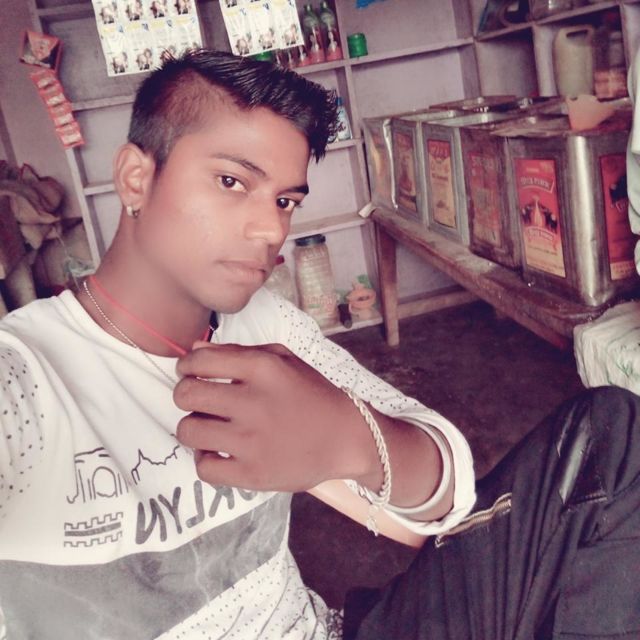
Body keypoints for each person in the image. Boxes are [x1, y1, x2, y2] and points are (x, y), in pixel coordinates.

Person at [0, 49, 638, 640]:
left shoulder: (266, 328)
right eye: (231, 181)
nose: (269, 228)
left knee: (614, 433)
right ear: (136, 178)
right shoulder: (25, 378)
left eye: (285, 200)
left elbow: (449, 496)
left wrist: (351, 439)